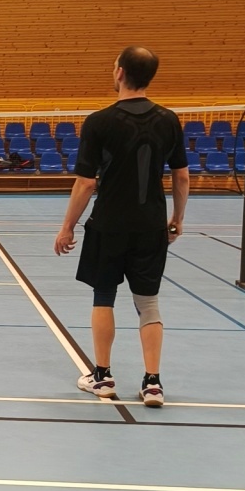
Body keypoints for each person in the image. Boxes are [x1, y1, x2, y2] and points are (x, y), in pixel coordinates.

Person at [53, 46, 189, 407]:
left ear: (119, 73)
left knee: (103, 296)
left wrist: (67, 226)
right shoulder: (169, 120)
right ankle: (153, 383)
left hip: (108, 226)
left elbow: (86, 183)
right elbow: (181, 176)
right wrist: (177, 218)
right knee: (149, 303)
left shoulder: (99, 122)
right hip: (151, 226)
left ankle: (102, 376)